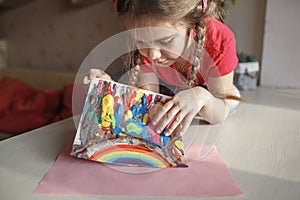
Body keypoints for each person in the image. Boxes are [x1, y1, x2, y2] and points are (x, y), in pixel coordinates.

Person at [85, 0, 241, 137]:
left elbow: (222, 110)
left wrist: (202, 97)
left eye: (165, 41)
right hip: (168, 89)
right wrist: (111, 89)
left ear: (192, 24)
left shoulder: (218, 41)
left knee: (228, 102)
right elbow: (149, 99)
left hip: (212, 91)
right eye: (141, 42)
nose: (153, 54)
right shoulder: (149, 47)